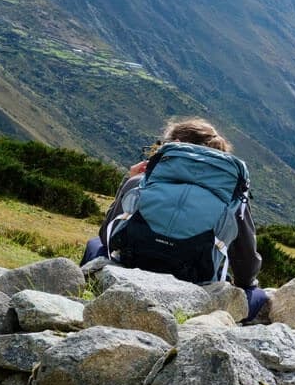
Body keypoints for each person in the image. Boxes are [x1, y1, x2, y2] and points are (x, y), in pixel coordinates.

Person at [81, 118, 267, 322]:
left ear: (175, 144)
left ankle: (84, 303)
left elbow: (107, 236)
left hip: (133, 267)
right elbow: (246, 266)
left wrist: (130, 179)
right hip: (196, 287)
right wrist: (242, 283)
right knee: (256, 295)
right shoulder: (232, 199)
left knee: (94, 244)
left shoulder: (139, 182)